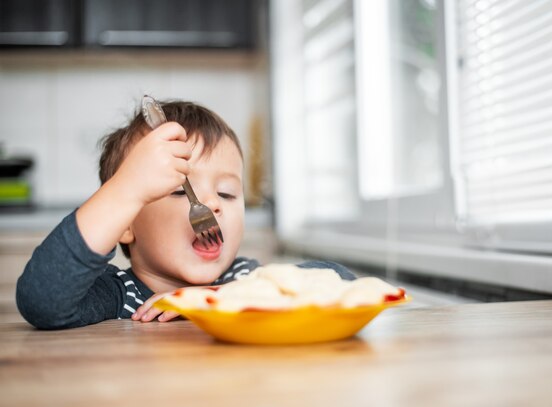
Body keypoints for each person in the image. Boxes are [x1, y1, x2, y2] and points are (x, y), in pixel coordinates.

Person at [16, 100, 355, 329]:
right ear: (127, 223)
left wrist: (214, 298)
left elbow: (337, 279)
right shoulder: (119, 294)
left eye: (227, 193)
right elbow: (42, 301)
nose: (214, 204)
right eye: (181, 190)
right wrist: (124, 192)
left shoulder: (246, 283)